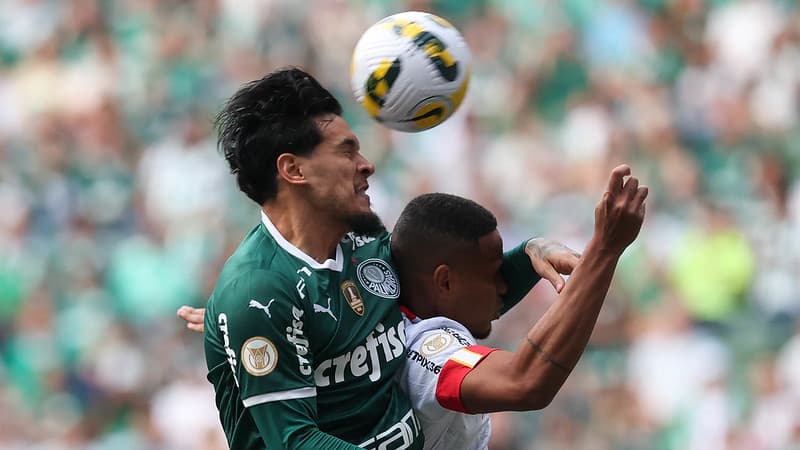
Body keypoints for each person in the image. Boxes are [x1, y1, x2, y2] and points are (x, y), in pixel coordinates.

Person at [199, 67, 577, 450]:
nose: (366, 164)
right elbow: (295, 442)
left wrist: (530, 255)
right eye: (346, 151)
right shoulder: (257, 291)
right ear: (294, 169)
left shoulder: (364, 246)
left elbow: (454, 292)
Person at [392, 164, 647, 449]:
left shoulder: (394, 318)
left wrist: (530, 251)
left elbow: (471, 298)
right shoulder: (425, 353)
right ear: (446, 282)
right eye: (494, 274)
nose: (504, 287)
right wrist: (604, 249)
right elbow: (525, 381)